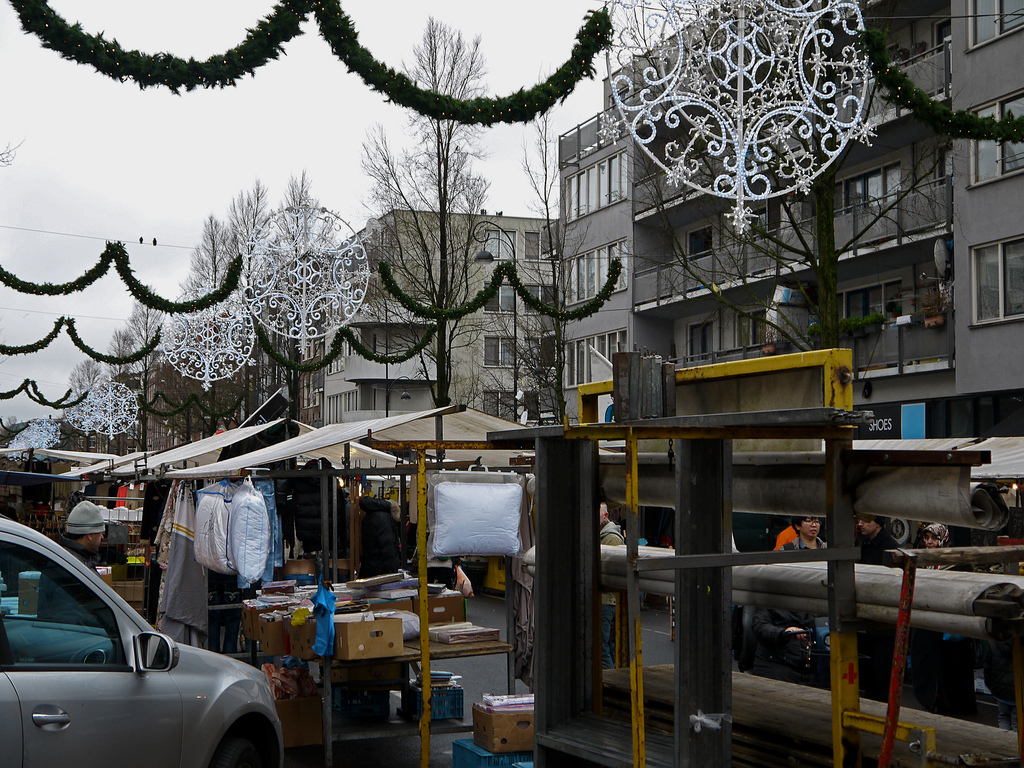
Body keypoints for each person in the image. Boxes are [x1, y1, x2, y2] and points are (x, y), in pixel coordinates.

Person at [910, 523, 977, 715]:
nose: (929, 542)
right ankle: (931, 700)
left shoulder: (957, 563)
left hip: (949, 629)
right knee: (927, 667)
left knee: (952, 669)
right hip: (926, 628)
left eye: (934, 538)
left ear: (944, 539)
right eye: (927, 538)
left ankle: (955, 705)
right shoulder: (922, 562)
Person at [856, 513, 899, 700]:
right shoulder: (864, 543)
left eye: (865, 520)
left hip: (883, 623)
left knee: (883, 676)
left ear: (878, 523)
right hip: (867, 618)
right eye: (859, 520)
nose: (860, 524)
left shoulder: (889, 548)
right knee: (868, 676)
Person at [751, 607, 817, 685]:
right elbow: (760, 626)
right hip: (777, 663)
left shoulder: (817, 604)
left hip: (813, 667)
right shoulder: (769, 602)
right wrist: (784, 633)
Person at [598, 503, 625, 669]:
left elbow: (614, 571)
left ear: (606, 516)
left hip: (606, 600)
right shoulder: (602, 535)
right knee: (605, 645)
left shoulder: (611, 538)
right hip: (604, 599)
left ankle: (609, 678)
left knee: (602, 647)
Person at [359, 496, 401, 578]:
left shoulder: (370, 515)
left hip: (370, 563)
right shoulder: (385, 518)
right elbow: (387, 545)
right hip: (381, 567)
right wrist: (392, 568)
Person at [59, 500, 106, 567]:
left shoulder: (67, 557)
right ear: (90, 535)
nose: (102, 537)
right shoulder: (75, 564)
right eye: (100, 533)